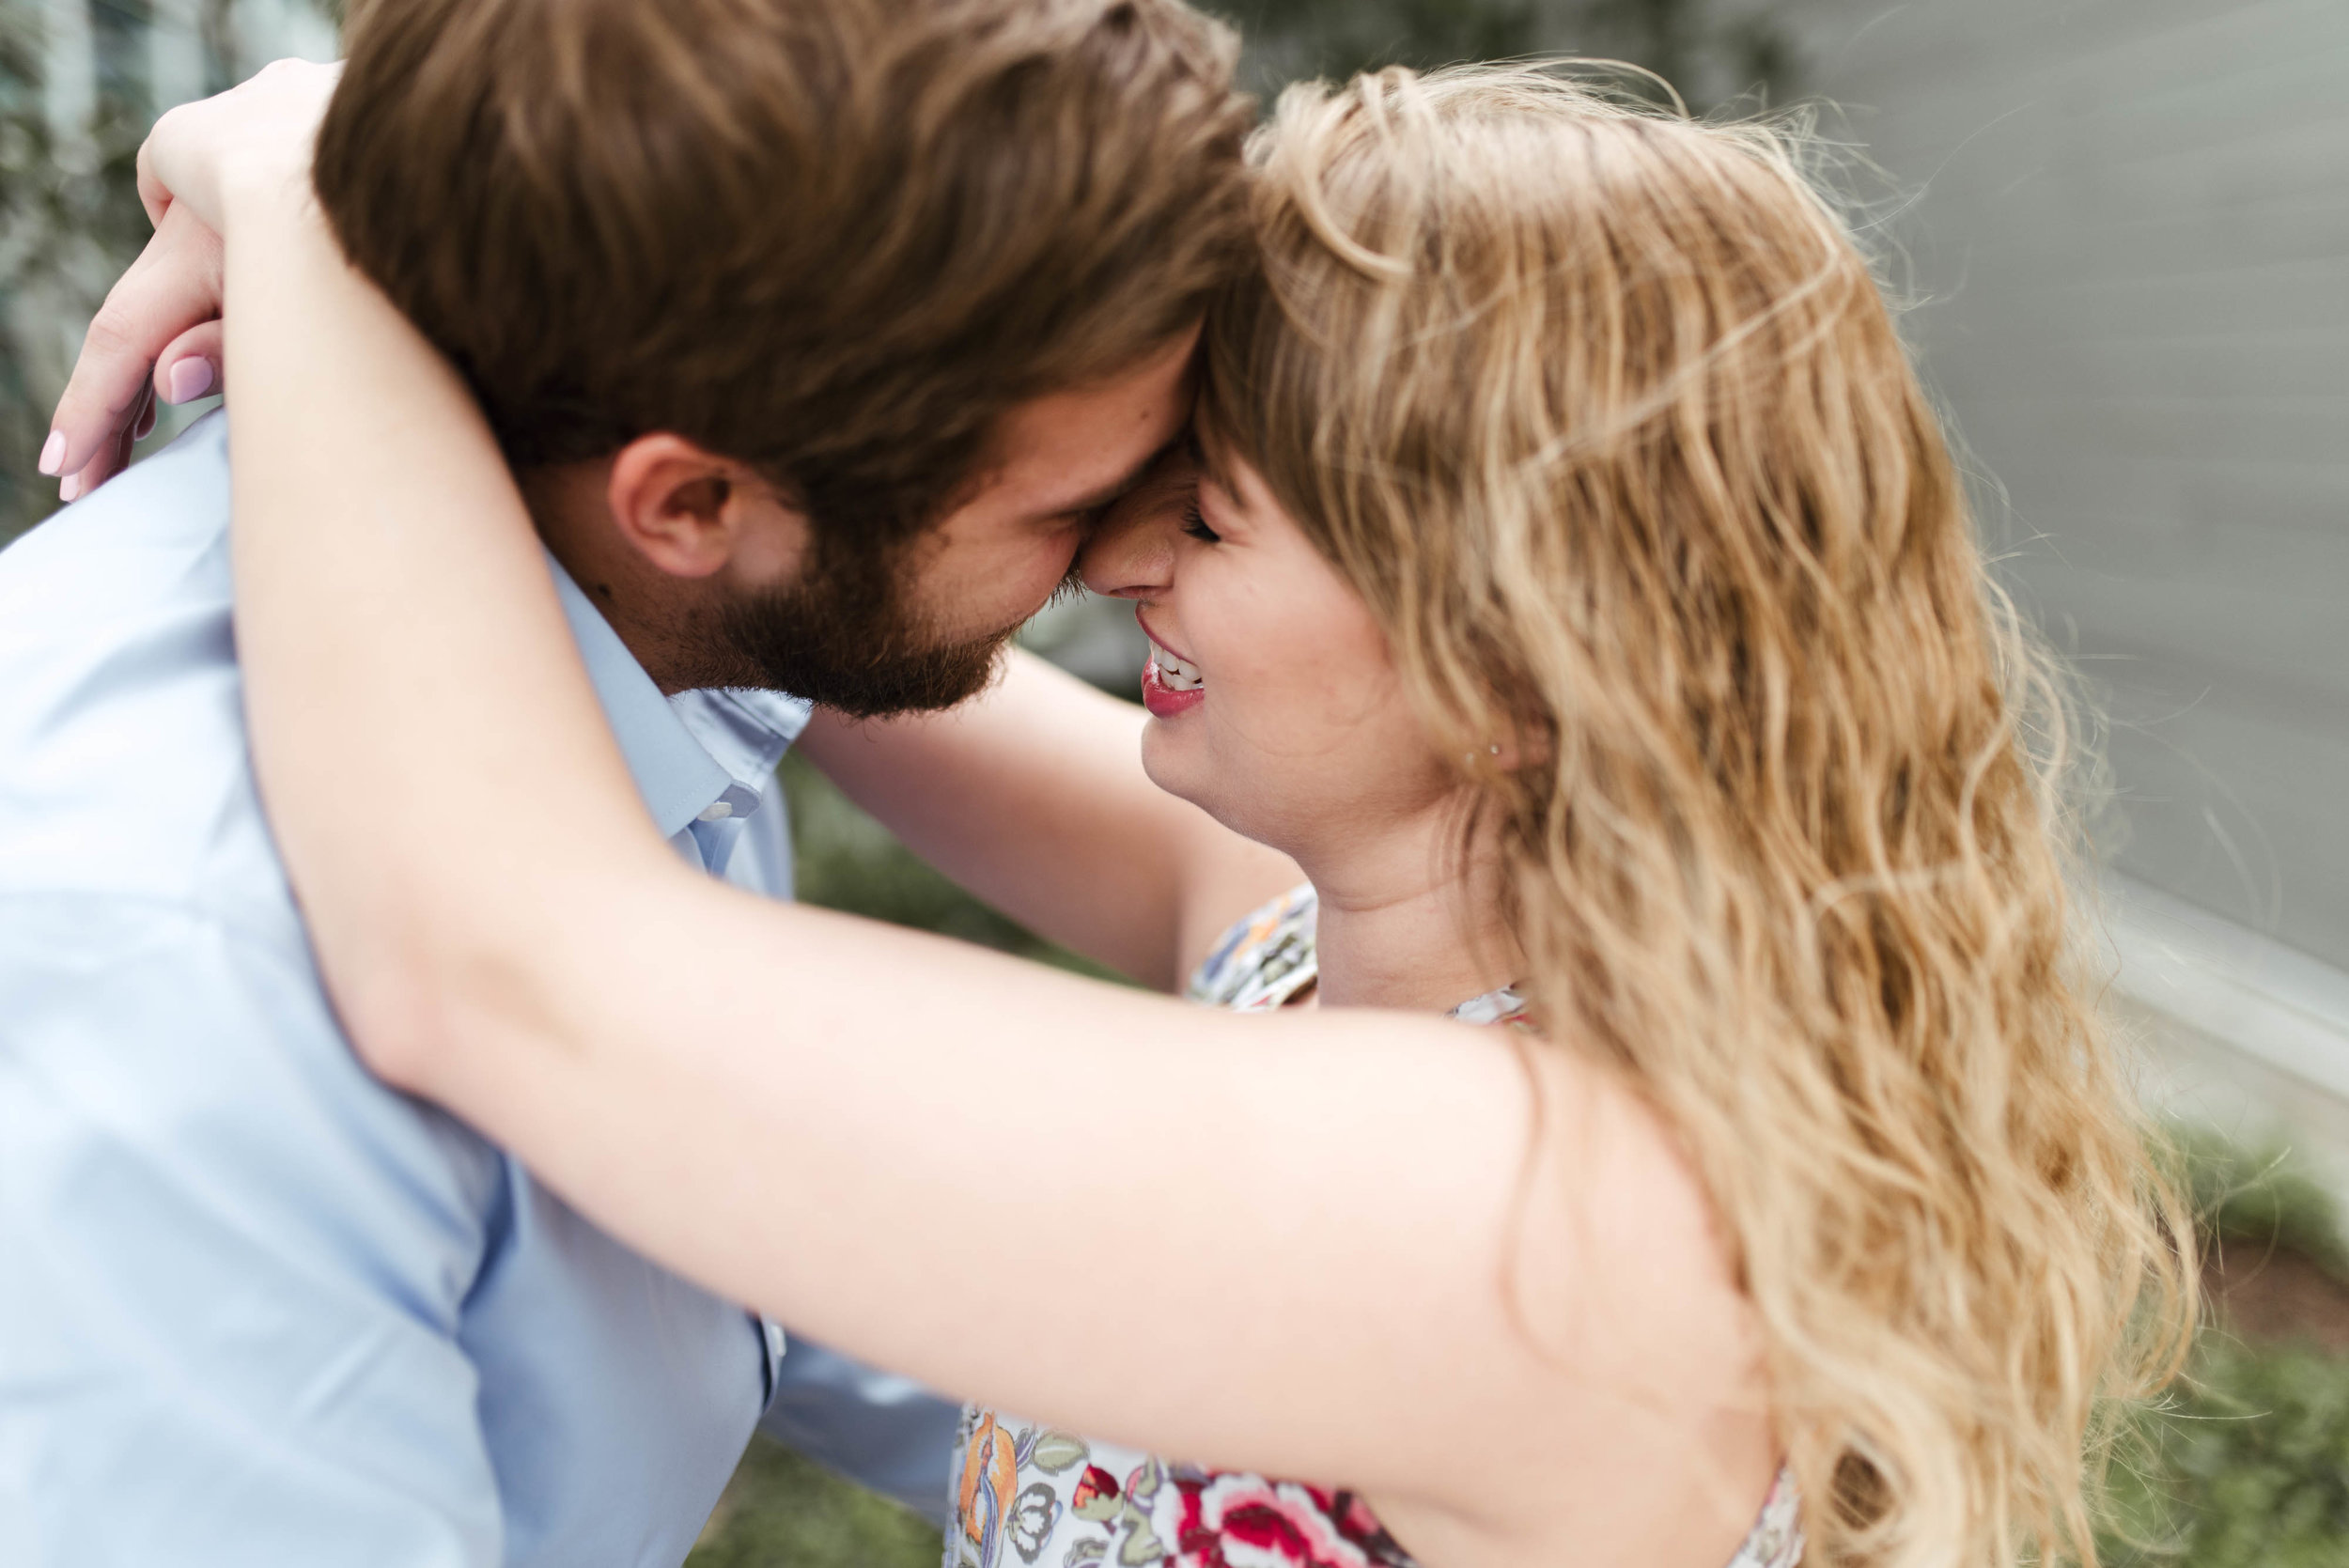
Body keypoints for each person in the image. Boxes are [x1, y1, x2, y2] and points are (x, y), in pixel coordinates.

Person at [60, 54, 2196, 1568]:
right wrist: (494, 257)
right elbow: (794, 586)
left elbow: (503, 951)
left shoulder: (1527, 1222)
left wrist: (318, 201)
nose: (1108, 564)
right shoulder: (1319, 928)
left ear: (1509, 633)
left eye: (1205, 510)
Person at [0, 3, 1258, 1563]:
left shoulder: (674, 616)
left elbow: (795, 1243)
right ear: (692, 500)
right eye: (1070, 504)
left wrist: (310, 189)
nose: (1130, 552)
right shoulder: (176, 975)